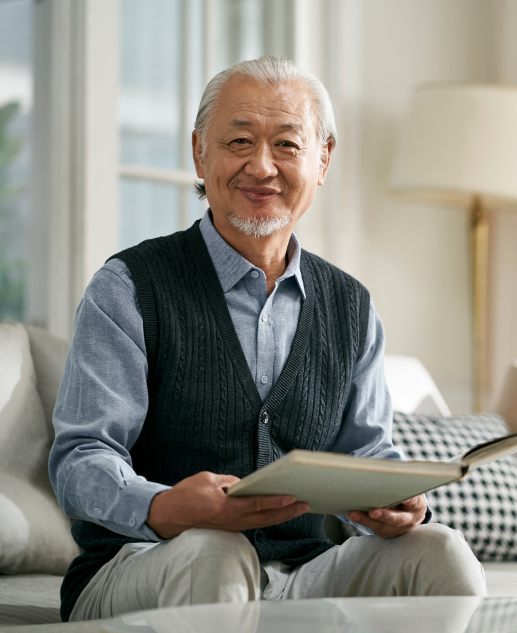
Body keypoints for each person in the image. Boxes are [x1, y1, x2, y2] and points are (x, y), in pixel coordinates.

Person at [49, 56, 486, 623]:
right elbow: (81, 460)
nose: (262, 166)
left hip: (303, 572)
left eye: (286, 144)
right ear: (199, 153)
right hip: (143, 562)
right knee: (215, 549)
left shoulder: (352, 305)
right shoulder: (129, 286)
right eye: (238, 141)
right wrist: (164, 505)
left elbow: (369, 453)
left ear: (323, 158)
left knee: (443, 552)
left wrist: (396, 502)